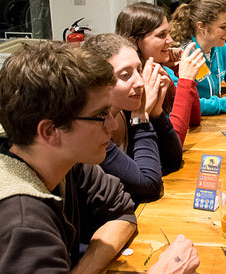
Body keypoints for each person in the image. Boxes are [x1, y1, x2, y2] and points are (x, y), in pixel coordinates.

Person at [0, 41, 199, 274]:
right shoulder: (20, 227)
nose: (112, 125)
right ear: (50, 131)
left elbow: (121, 212)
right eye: (100, 116)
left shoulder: (65, 160)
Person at [83, 34, 197, 202]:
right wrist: (141, 118)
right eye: (125, 75)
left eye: (139, 70)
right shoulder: (92, 130)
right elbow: (148, 186)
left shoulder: (126, 108)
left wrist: (156, 113)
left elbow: (172, 159)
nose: (140, 82)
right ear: (96, 83)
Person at [116, 2, 203, 143]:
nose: (170, 40)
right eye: (161, 35)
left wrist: (178, 70)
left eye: (168, 33)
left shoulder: (159, 70)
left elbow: (194, 119)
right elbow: (174, 141)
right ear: (134, 42)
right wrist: (185, 81)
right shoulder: (137, 85)